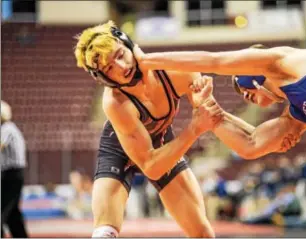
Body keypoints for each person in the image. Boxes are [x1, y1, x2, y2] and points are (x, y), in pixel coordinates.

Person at [133, 44, 306, 237]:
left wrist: (148, 62)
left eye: (243, 87)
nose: (243, 95)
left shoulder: (285, 61)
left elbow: (214, 61)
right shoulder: (297, 110)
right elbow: (251, 144)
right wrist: (205, 106)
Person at [73, 20, 230, 238]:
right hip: (120, 151)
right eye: (109, 68)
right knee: (104, 233)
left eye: (120, 55)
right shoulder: (115, 102)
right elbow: (150, 166)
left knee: (203, 233)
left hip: (161, 143)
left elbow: (214, 117)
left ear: (129, 46)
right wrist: (193, 129)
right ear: (103, 78)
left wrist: (202, 102)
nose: (121, 67)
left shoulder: (172, 70)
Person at [1, 100, 29, 238]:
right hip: (13, 173)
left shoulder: (6, 128)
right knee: (12, 212)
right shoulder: (10, 128)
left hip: (11, 174)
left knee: (3, 207)